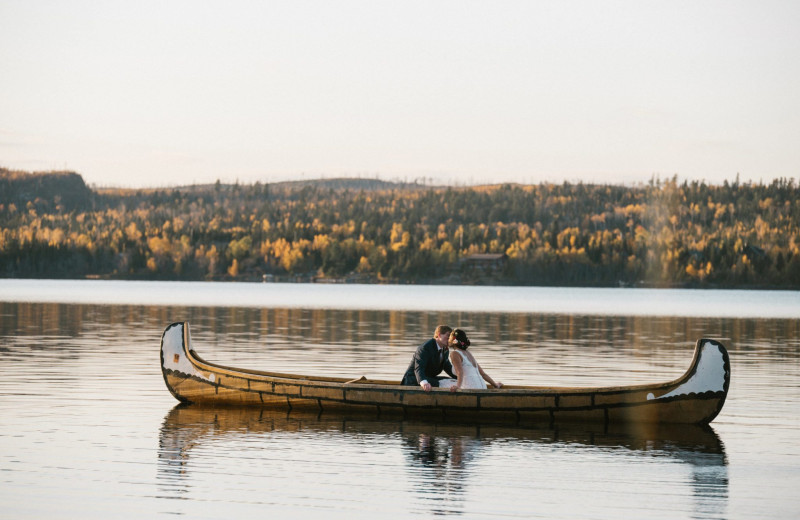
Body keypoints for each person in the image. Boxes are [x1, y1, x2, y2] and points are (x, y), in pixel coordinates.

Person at [401, 325, 456, 391]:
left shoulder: (445, 350)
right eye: (448, 335)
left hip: (430, 378)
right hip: (413, 380)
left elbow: (448, 368)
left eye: (450, 337)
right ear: (439, 335)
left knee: (453, 381)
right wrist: (424, 383)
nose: (450, 339)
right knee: (445, 383)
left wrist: (460, 377)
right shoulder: (425, 348)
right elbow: (419, 368)